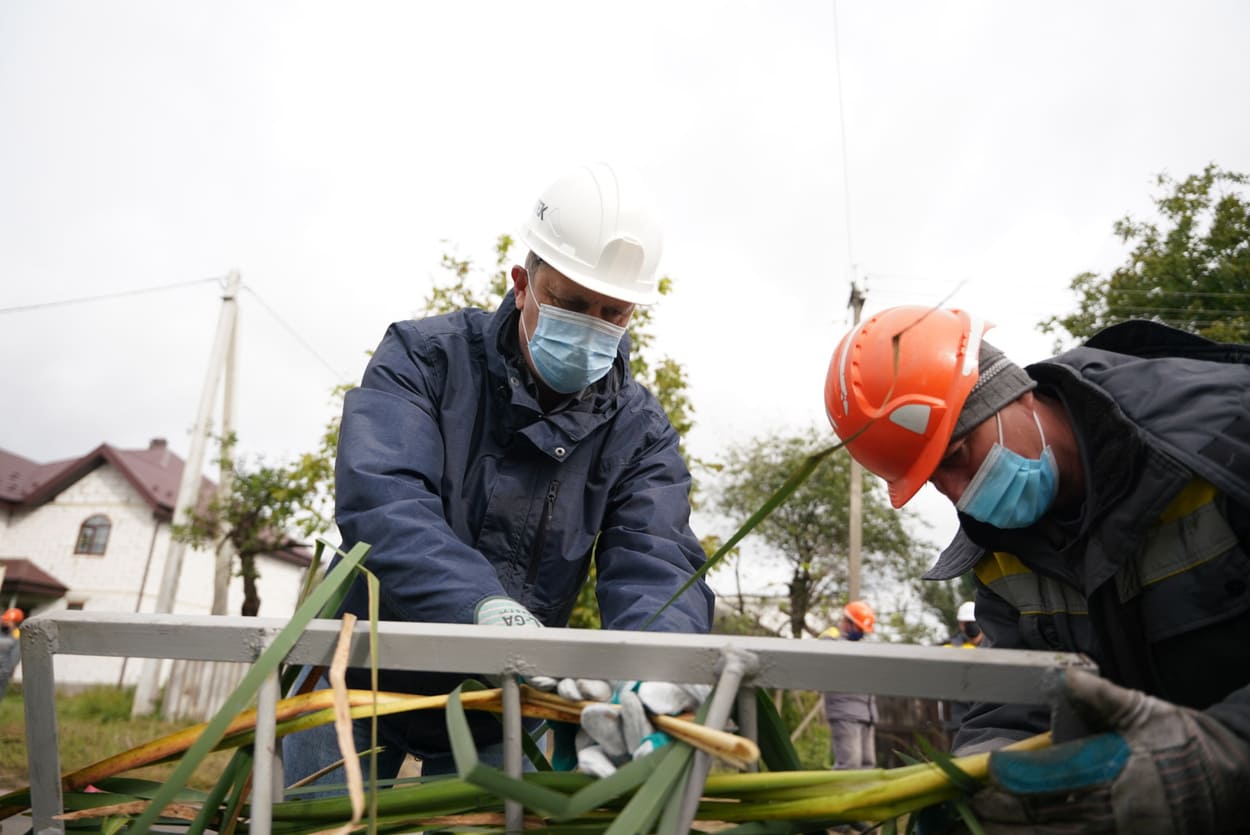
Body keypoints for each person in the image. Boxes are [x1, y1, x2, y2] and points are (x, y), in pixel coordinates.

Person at [283, 163, 715, 789]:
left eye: (612, 313)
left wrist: (657, 659)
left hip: (499, 708)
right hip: (359, 682)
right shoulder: (424, 359)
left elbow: (656, 554)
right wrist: (481, 606)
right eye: (570, 304)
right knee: (320, 824)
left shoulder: (639, 430)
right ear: (522, 283)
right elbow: (384, 500)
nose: (591, 327)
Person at [824, 305, 1250, 832]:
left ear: (1016, 394)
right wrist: (978, 787)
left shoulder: (1227, 435)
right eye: (935, 481)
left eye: (957, 455)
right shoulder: (1001, 555)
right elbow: (1014, 702)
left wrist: (1224, 754)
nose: (961, 496)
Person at [821, 600, 878, 770]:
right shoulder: (832, 638)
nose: (861, 633)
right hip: (845, 712)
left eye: (863, 630)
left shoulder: (861, 647)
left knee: (868, 764)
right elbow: (823, 651)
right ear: (848, 622)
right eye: (859, 628)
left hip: (867, 713)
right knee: (849, 764)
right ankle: (838, 796)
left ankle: (866, 797)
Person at [0, 608, 23, 701]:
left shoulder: (17, 636)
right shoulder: (2, 632)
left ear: (15, 623)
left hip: (3, 670)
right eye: (4, 620)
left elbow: (15, 657)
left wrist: (9, 670)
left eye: (7, 621)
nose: (4, 622)